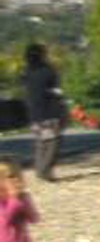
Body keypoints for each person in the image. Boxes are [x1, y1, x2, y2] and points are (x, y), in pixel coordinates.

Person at [21, 45, 63, 183]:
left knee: (40, 142)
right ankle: (45, 170)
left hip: (33, 113)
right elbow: (55, 90)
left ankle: (39, 169)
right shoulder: (48, 70)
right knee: (52, 143)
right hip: (49, 111)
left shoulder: (27, 71)